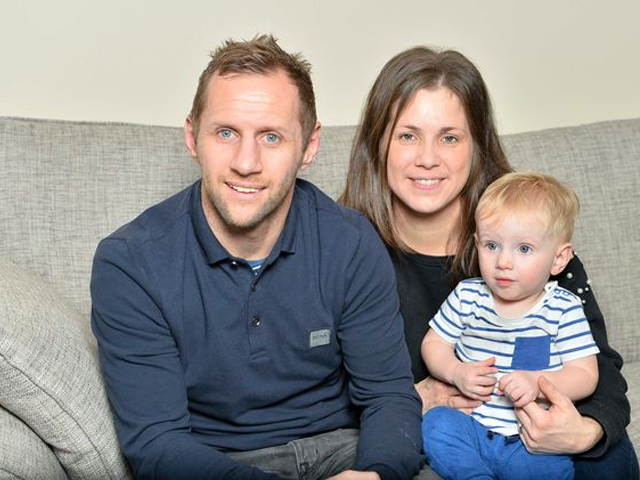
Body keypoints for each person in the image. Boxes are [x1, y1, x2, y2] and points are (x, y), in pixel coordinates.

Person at [91, 35, 423, 480]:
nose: (246, 162)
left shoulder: (351, 242)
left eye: (271, 136)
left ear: (309, 145)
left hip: (347, 451)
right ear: (193, 137)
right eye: (226, 133)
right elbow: (157, 444)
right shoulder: (130, 264)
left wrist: (377, 473)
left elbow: (388, 396)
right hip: (219, 464)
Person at [339, 46, 638, 479]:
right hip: (445, 435)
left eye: (450, 137)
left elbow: (599, 367)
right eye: (407, 135)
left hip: (539, 435)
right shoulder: (344, 247)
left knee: (608, 461)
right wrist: (407, 398)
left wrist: (585, 432)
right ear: (379, 143)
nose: (428, 157)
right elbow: (317, 383)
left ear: (477, 145)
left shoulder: (524, 236)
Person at [422, 172, 599, 479]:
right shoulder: (467, 296)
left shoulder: (562, 308)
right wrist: (455, 371)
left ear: (558, 259)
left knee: (552, 467)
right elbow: (433, 344)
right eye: (491, 245)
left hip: (529, 437)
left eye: (524, 249)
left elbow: (584, 375)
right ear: (476, 243)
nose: (503, 261)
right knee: (436, 424)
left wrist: (538, 382)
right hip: (471, 426)